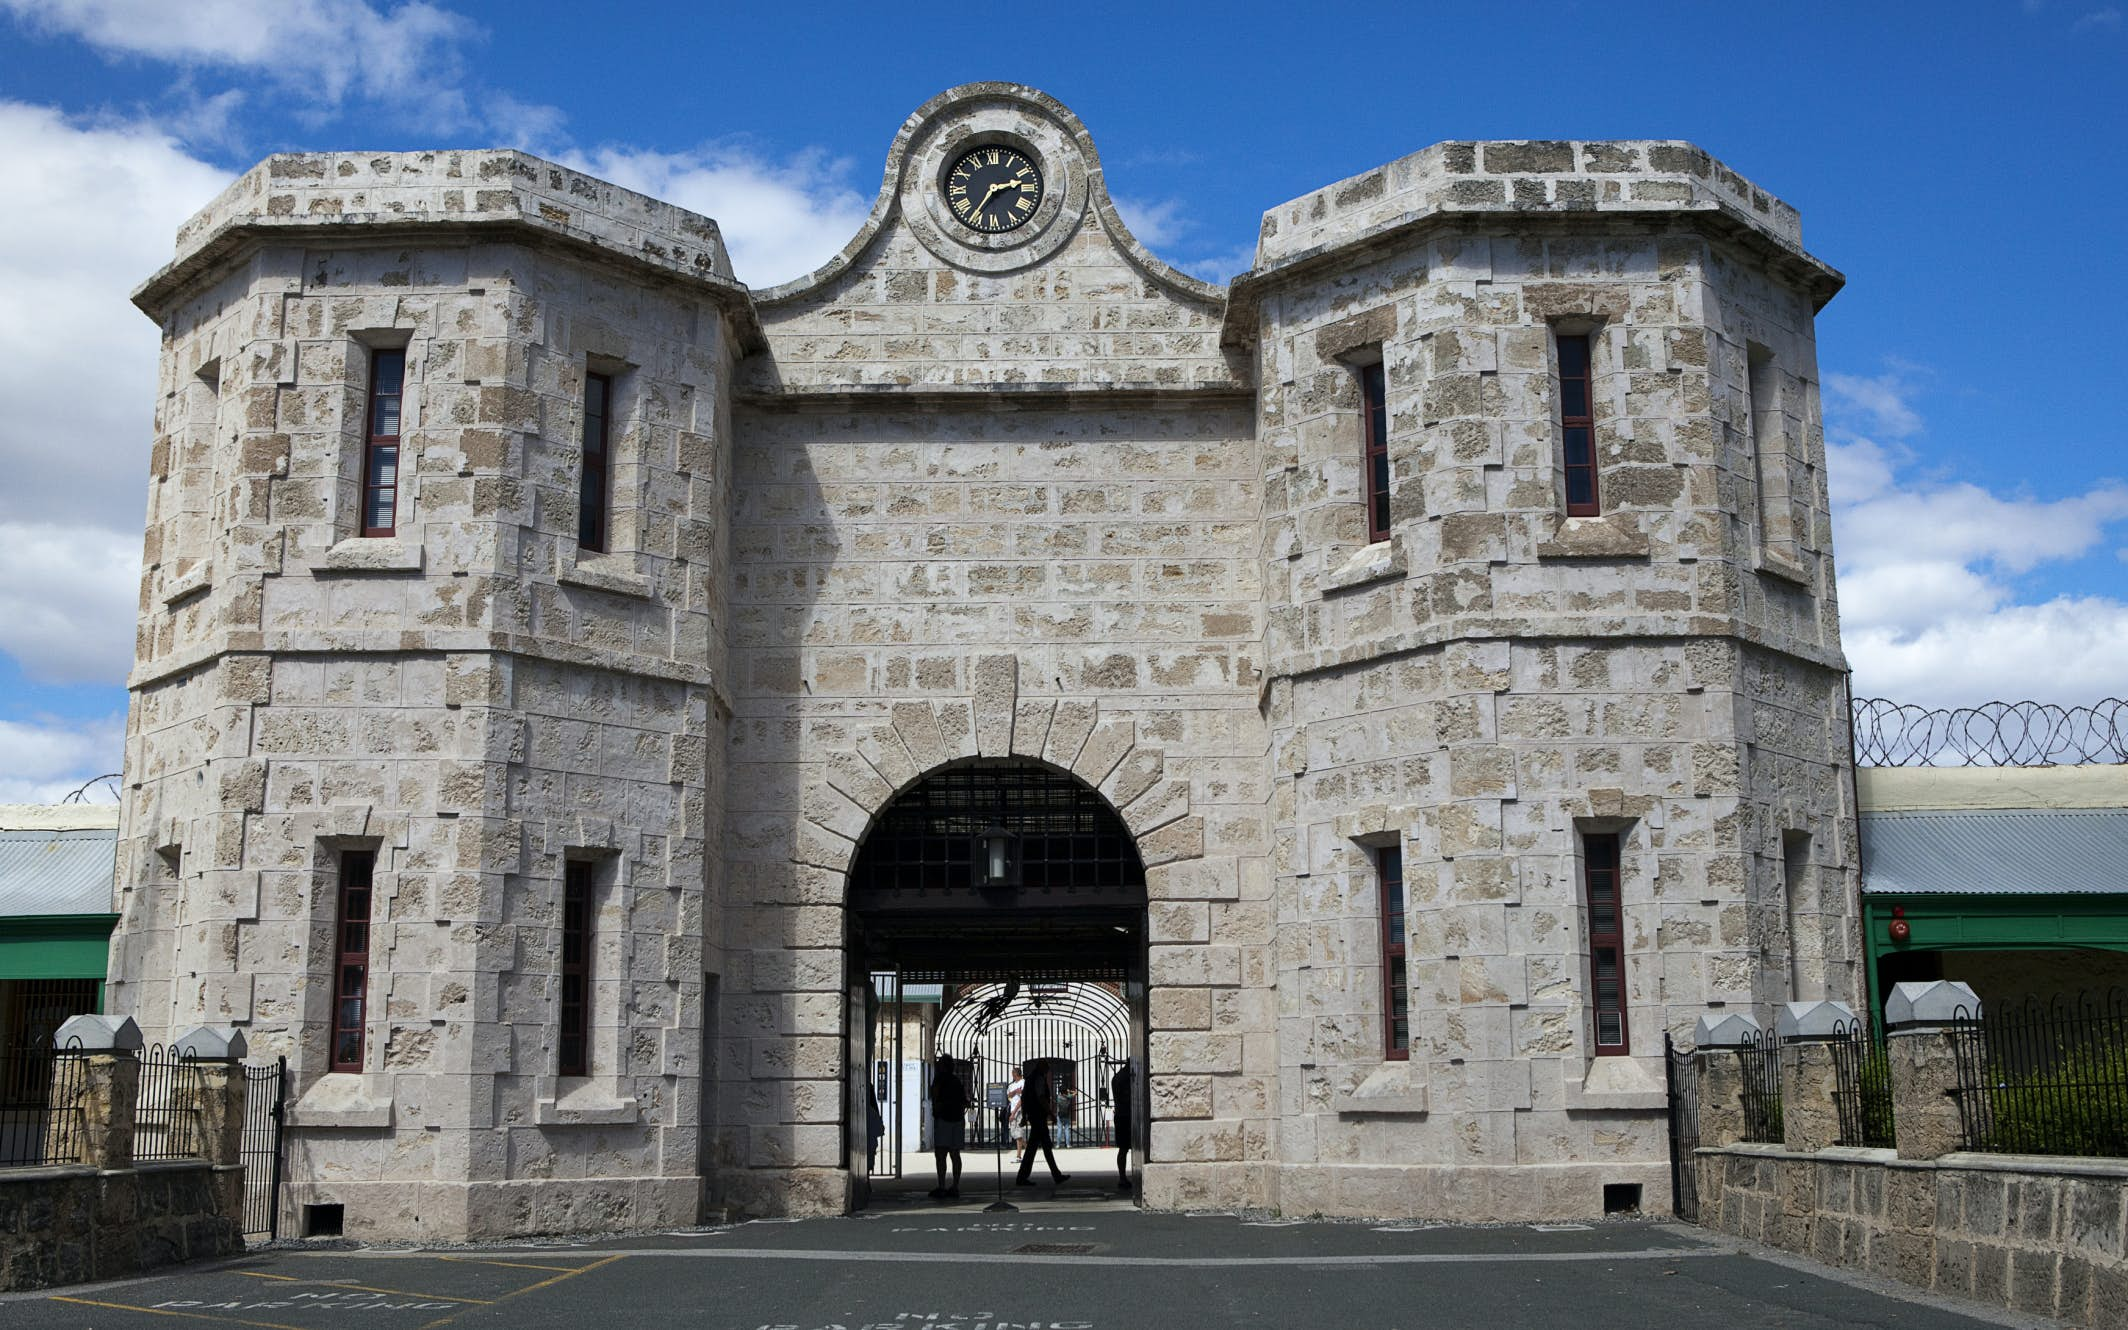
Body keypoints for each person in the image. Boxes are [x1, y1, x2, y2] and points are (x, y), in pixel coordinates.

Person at [1014, 1069, 1070, 1187]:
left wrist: (1025, 1116)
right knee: (1038, 1149)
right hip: (1039, 1118)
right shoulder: (1039, 1080)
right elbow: (1041, 1098)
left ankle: (1054, 1175)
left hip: (1034, 1117)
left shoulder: (1029, 1082)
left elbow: (1024, 1099)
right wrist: (1050, 1113)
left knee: (1039, 1148)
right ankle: (1023, 1177)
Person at [928, 1057, 967, 1199]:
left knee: (941, 1154)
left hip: (944, 1119)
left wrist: (936, 1111)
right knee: (955, 1154)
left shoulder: (939, 1079)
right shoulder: (957, 1081)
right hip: (957, 1119)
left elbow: (935, 1096)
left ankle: (942, 1186)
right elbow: (964, 1101)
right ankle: (955, 1186)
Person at [1111, 1060, 1134, 1193]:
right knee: (1125, 1148)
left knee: (1123, 1148)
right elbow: (1127, 1097)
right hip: (1126, 1115)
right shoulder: (1127, 1078)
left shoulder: (1118, 1076)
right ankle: (1123, 1177)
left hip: (1121, 1114)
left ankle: (1123, 1176)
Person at [1006, 1065, 1027, 1161]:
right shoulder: (1012, 1085)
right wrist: (1015, 1091)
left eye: (1013, 1073)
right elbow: (1009, 1095)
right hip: (1013, 1110)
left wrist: (1014, 1113)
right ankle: (1029, 1148)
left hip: (1019, 1111)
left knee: (1018, 1133)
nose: (1012, 1075)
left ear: (1016, 1074)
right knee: (1014, 1133)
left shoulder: (1024, 1083)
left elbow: (1022, 1099)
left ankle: (1019, 1156)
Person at [1053, 1082, 1075, 1148]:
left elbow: (1061, 1093)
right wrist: (1069, 1091)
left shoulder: (1058, 1097)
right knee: (1066, 1129)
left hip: (1060, 1115)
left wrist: (1065, 1091)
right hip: (1066, 1115)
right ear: (1066, 1091)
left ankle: (1058, 1144)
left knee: (1059, 1129)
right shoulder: (1068, 1097)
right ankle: (1068, 1144)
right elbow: (1075, 1093)